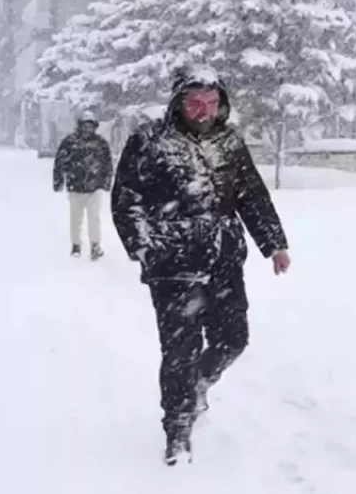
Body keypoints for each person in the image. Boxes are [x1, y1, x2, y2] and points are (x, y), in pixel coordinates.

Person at [111, 65, 290, 466]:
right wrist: (145, 248)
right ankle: (177, 430)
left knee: (234, 339)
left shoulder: (229, 142)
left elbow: (252, 195)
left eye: (211, 103)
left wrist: (274, 243)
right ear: (178, 102)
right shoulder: (150, 141)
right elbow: (126, 200)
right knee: (180, 351)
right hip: (173, 266)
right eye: (195, 102)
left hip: (224, 260)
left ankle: (198, 385)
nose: (204, 110)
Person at [52, 111, 113, 260]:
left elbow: (108, 164)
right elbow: (60, 162)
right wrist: (58, 181)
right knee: (75, 219)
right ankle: (76, 246)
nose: (87, 129)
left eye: (90, 126)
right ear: (79, 126)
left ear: (94, 127)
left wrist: (106, 182)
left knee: (94, 218)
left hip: (95, 188)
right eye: (84, 126)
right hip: (76, 188)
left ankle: (95, 245)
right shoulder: (70, 142)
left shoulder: (101, 144)